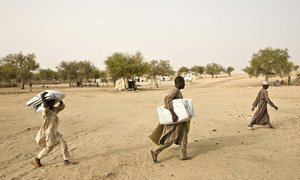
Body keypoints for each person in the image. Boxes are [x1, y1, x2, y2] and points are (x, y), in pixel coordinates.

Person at [149, 76, 192, 162]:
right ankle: (155, 152)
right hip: (175, 120)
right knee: (171, 139)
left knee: (184, 136)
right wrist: (173, 114)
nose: (184, 84)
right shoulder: (175, 90)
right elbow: (167, 99)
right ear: (178, 83)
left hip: (180, 120)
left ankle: (183, 155)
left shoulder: (178, 91)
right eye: (183, 82)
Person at [31, 92, 72, 167]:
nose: (52, 104)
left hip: (55, 132)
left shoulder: (54, 110)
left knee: (63, 143)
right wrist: (43, 97)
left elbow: (61, 106)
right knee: (49, 148)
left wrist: (60, 99)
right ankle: (37, 159)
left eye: (53, 103)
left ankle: (66, 160)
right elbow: (45, 107)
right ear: (48, 104)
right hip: (49, 133)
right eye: (51, 103)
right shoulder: (46, 112)